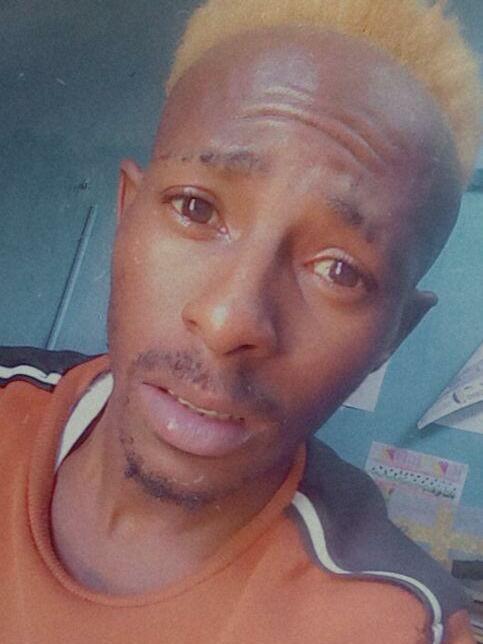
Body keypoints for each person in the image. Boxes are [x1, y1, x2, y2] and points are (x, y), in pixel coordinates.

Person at [0, 0, 481, 642]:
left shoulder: (391, 625)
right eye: (196, 209)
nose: (229, 323)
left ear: (392, 336)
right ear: (128, 213)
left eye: (340, 270)